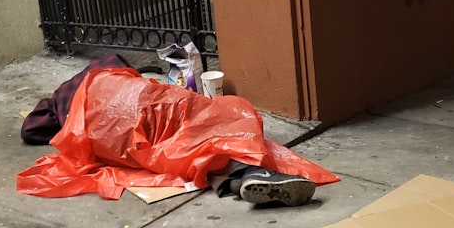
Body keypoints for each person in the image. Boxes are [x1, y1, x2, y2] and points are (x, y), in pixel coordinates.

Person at [17, 57, 338, 205]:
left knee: (177, 151)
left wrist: (62, 118)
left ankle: (239, 178)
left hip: (108, 133)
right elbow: (138, 82)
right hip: (141, 103)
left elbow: (30, 130)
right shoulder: (107, 66)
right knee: (212, 119)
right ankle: (247, 172)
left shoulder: (59, 101)